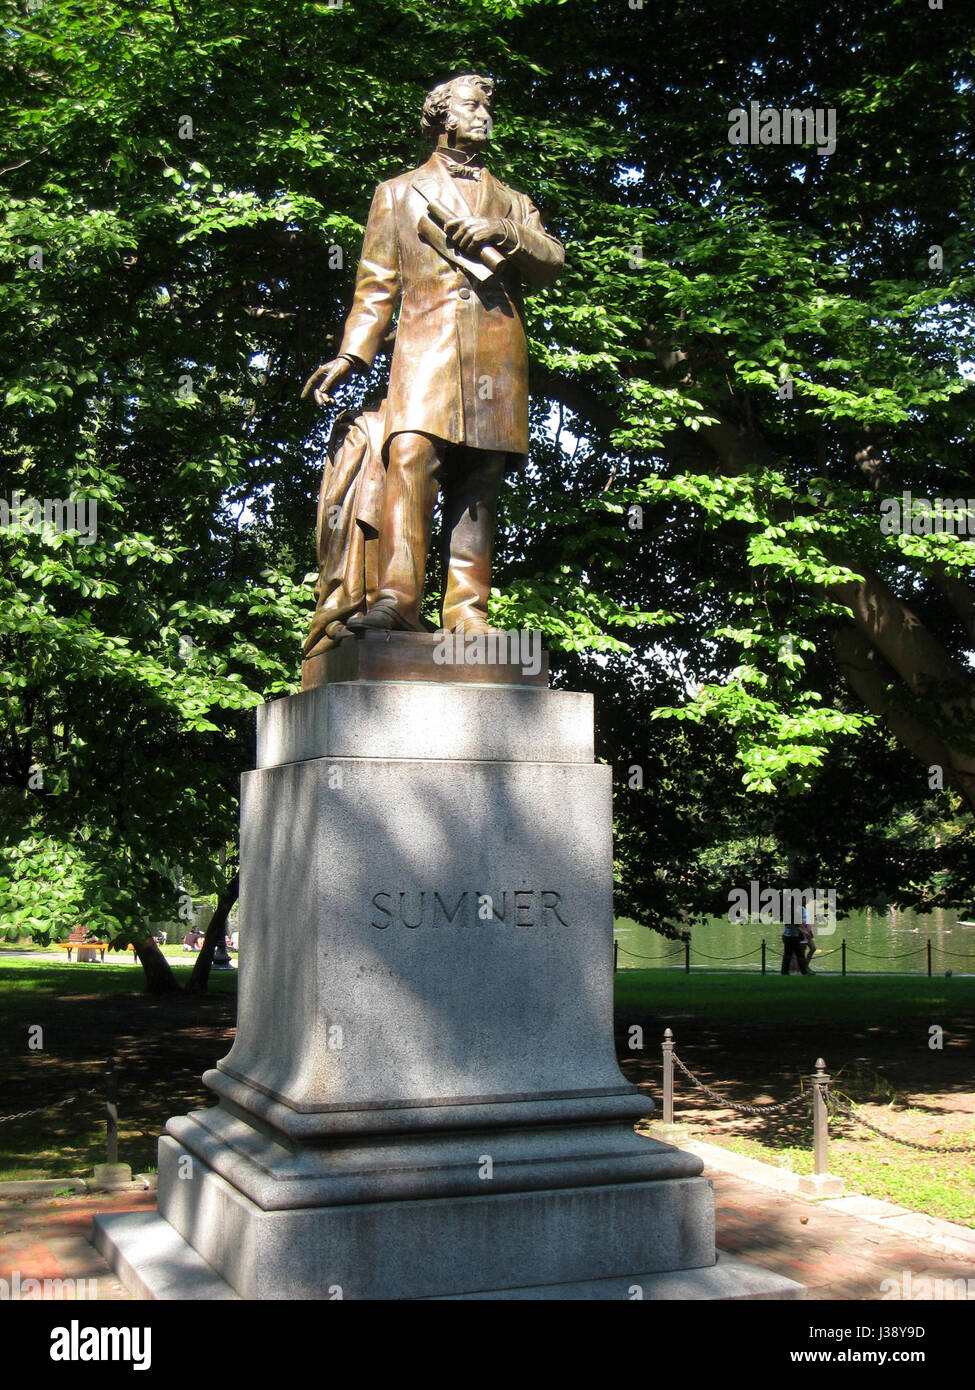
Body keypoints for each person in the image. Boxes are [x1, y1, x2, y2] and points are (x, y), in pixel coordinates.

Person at [301, 72, 564, 654]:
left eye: (487, 110)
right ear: (443, 114)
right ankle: (398, 600)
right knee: (411, 453)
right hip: (425, 350)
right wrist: (352, 353)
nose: (483, 117)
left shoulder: (514, 202)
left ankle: (468, 613)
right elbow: (376, 285)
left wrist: (507, 233)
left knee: (480, 478)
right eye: (471, 107)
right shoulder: (397, 192)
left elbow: (552, 263)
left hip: (499, 350)